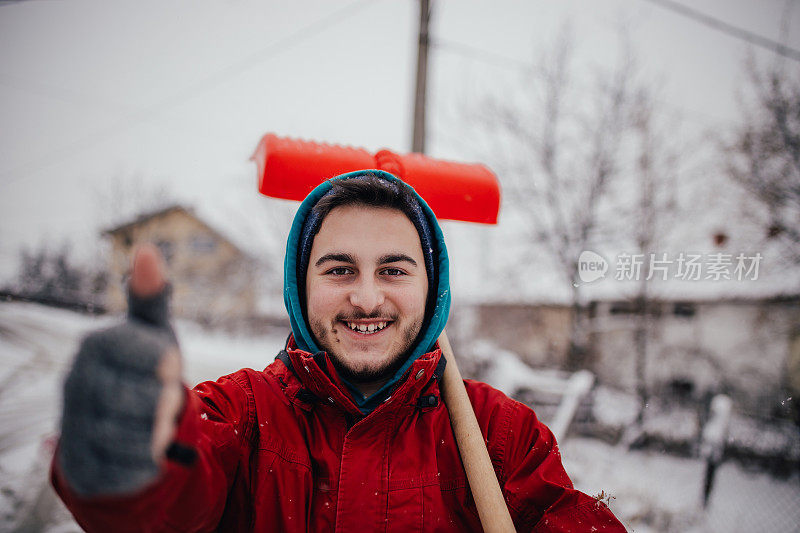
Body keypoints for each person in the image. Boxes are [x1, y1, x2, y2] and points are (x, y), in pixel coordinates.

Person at [51, 170, 625, 531]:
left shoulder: (502, 434)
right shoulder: (241, 412)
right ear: (300, 287)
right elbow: (168, 507)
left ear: (433, 288)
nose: (367, 297)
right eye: (340, 269)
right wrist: (132, 462)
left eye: (394, 270)